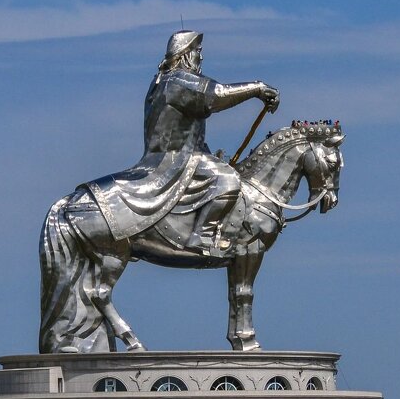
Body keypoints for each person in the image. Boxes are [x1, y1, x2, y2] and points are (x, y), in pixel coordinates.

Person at [85, 31, 280, 253]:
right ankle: (202, 236)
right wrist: (257, 88)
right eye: (197, 52)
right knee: (228, 179)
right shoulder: (178, 81)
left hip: (169, 157)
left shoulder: (160, 82)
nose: (201, 57)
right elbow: (217, 95)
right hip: (178, 160)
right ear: (185, 55)